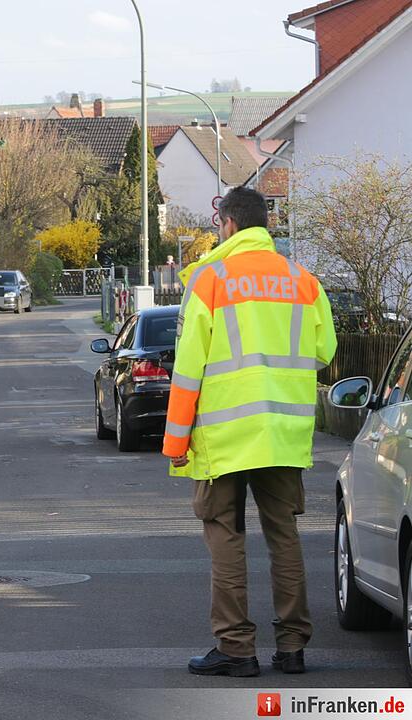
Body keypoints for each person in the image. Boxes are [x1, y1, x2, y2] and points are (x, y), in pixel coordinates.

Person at [163, 186, 337, 677]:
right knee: (284, 536)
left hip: (226, 435)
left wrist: (176, 442)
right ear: (266, 227)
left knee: (225, 534)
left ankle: (236, 649)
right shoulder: (303, 281)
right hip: (284, 431)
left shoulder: (211, 280)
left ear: (229, 226)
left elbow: (188, 368)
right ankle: (293, 648)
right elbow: (324, 351)